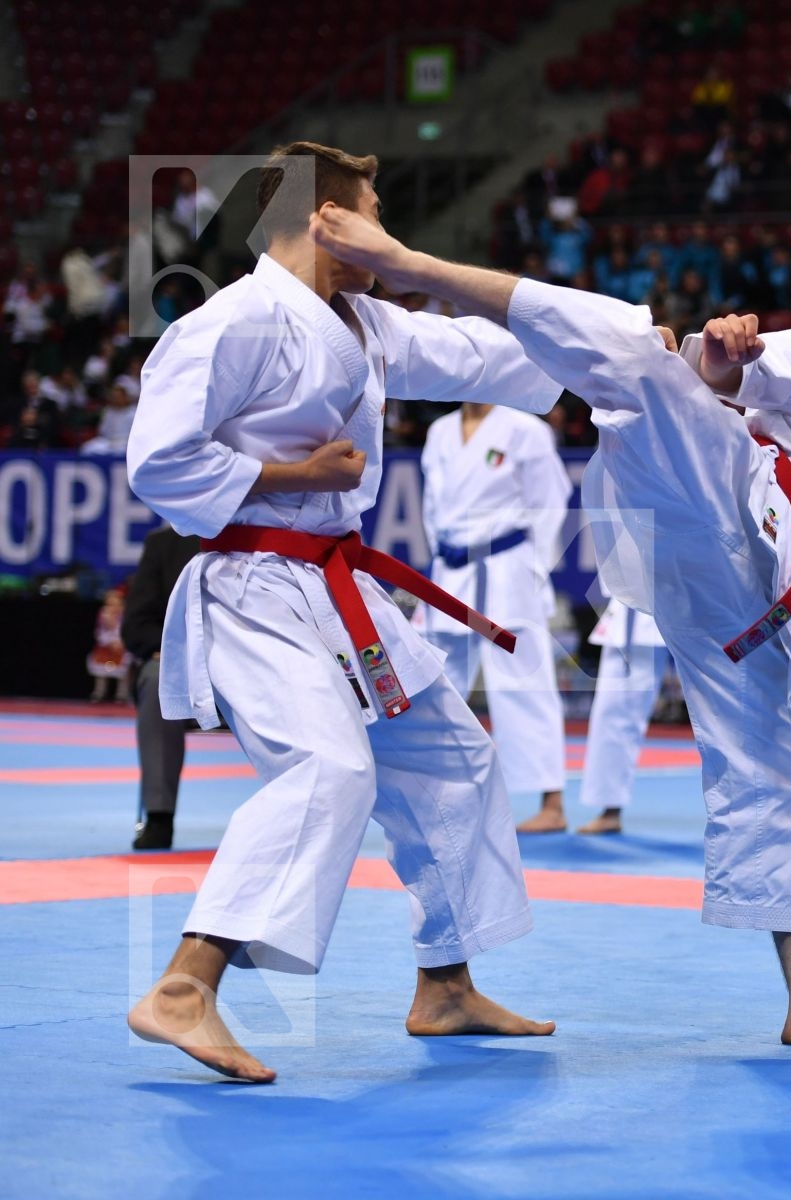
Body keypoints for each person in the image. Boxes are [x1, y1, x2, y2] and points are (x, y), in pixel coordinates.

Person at [311, 205, 791, 1044]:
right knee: (640, 357)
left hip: (752, 613)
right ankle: (412, 264)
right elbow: (744, 374)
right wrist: (720, 358)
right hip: (729, 498)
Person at [124, 142, 559, 1083]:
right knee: (327, 767)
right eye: (372, 211)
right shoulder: (232, 321)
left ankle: (444, 983)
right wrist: (293, 474)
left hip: (338, 587)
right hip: (256, 583)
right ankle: (185, 986)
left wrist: (634, 357)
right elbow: (157, 461)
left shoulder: (359, 321)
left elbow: (483, 353)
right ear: (326, 218)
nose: (386, 234)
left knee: (452, 755)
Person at [419, 403, 575, 835]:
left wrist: (534, 569)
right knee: (437, 679)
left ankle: (552, 802)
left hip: (506, 567)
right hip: (452, 569)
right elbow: (432, 506)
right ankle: (434, 788)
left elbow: (549, 503)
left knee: (525, 681)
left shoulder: (524, 429)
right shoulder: (440, 431)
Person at [123, 525, 202, 850]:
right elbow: (137, 627)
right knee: (157, 678)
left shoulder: (262, 533)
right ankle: (159, 817)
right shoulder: (164, 544)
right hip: (184, 668)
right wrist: (183, 651)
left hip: (254, 665)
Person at [568, 597, 673, 836]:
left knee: (728, 712)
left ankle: (754, 810)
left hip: (702, 590)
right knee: (615, 708)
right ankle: (610, 808)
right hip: (638, 602)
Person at [87, 588, 130, 703]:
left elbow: (125, 630)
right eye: (110, 601)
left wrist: (120, 642)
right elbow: (100, 630)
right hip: (105, 646)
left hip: (120, 646)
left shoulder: (125, 614)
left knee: (122, 672)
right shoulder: (103, 613)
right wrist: (108, 641)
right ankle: (99, 693)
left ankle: (122, 695)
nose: (113, 604)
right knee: (101, 670)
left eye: (116, 601)